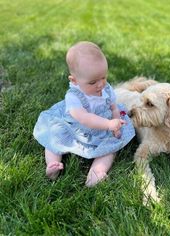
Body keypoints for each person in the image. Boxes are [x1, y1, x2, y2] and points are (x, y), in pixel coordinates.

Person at [33, 41, 135, 186]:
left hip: (103, 127)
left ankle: (96, 173)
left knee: (111, 148)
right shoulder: (73, 97)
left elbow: (113, 106)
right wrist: (108, 124)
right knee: (53, 136)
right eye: (93, 82)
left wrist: (116, 121)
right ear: (74, 80)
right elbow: (84, 118)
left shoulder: (106, 88)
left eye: (103, 77)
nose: (100, 84)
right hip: (75, 128)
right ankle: (53, 164)